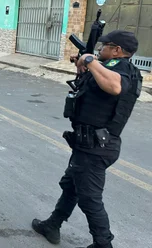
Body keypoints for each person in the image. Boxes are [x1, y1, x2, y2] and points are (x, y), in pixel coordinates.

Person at [32, 30, 142, 248]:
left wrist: (90, 60)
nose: (101, 49)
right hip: (88, 144)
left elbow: (115, 86)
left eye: (105, 46)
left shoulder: (122, 71)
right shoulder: (110, 67)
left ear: (117, 50)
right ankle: (52, 225)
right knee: (71, 185)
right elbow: (95, 90)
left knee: (89, 198)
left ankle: (103, 243)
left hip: (96, 148)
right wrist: (84, 67)